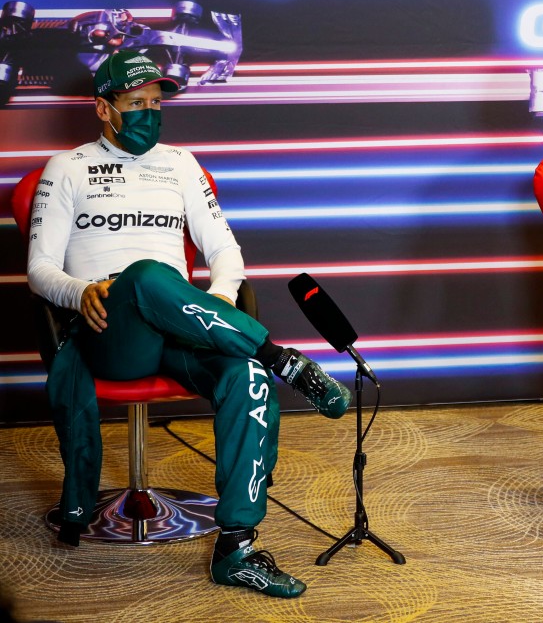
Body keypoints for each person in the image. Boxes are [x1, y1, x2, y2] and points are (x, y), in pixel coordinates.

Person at [26, 51, 354, 597]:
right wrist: (79, 291)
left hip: (182, 326)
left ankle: (236, 549)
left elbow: (225, 251)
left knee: (247, 381)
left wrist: (216, 309)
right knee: (148, 275)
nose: (150, 114)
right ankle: (282, 361)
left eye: (156, 104)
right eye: (136, 104)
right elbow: (39, 268)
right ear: (104, 109)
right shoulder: (67, 167)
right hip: (112, 327)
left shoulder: (181, 164)